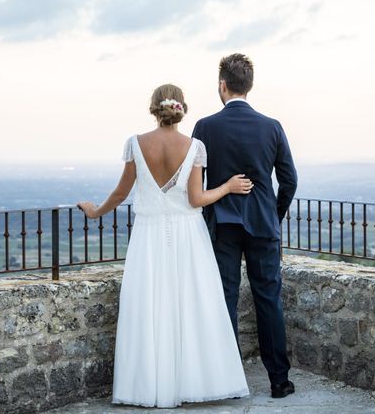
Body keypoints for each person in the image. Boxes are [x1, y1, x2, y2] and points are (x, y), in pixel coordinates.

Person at [77, 84, 251, 408]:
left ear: (154, 107)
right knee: (192, 305)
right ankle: (194, 382)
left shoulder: (135, 144)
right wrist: (227, 187)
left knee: (149, 306)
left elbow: (119, 194)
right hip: (189, 236)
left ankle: (150, 385)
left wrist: (94, 211)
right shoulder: (195, 147)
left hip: (148, 235)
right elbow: (197, 199)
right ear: (181, 107)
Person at [192, 53, 298, 399]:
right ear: (249, 86)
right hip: (263, 224)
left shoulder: (205, 127)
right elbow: (290, 181)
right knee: (269, 300)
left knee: (225, 300)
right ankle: (279, 381)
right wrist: (273, 213)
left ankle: (230, 380)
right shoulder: (272, 126)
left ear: (222, 85)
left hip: (222, 225)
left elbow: (196, 185)